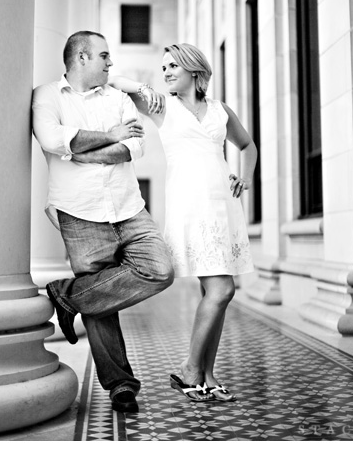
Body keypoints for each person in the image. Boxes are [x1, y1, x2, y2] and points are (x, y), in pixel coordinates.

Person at [32, 31, 174, 414]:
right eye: (104, 56)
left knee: (160, 269)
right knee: (102, 306)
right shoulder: (47, 96)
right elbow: (51, 138)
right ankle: (120, 386)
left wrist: (85, 151)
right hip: (79, 212)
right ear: (80, 57)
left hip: (129, 208)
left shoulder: (118, 98)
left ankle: (68, 294)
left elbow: (134, 147)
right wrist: (109, 137)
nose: (111, 63)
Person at [109, 43, 257, 403]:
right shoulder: (162, 107)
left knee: (216, 292)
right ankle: (191, 369)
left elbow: (248, 146)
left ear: (194, 69)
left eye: (174, 65)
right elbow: (111, 80)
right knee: (223, 290)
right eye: (164, 67)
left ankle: (206, 375)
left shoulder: (221, 111)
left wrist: (245, 176)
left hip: (224, 205)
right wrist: (144, 88)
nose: (167, 72)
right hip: (192, 207)